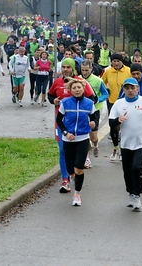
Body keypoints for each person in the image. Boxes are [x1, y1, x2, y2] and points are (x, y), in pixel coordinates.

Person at [109, 78, 142, 211]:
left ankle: (137, 195)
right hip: (126, 143)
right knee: (127, 172)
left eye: (133, 88)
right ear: (124, 90)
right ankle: (131, 193)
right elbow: (111, 122)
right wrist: (117, 120)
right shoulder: (119, 103)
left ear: (137, 88)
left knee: (136, 167)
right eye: (127, 88)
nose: (130, 91)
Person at [48, 58, 97, 193]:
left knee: (76, 153)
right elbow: (50, 95)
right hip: (62, 124)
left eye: (68, 67)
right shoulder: (57, 82)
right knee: (63, 150)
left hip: (80, 127)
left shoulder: (80, 83)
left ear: (73, 69)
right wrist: (55, 101)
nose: (65, 70)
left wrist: (88, 116)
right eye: (63, 67)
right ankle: (65, 179)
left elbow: (93, 99)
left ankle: (76, 171)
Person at [56, 77, 96, 206]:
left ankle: (77, 194)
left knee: (79, 168)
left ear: (83, 88)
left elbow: (94, 117)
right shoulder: (65, 103)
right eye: (74, 88)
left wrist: (93, 123)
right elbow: (59, 120)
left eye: (79, 87)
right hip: (68, 139)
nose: (77, 90)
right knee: (70, 169)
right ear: (70, 90)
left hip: (83, 138)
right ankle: (72, 176)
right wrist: (66, 133)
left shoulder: (89, 103)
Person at [102, 54, 132, 161]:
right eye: (114, 61)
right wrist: (106, 91)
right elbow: (102, 82)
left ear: (122, 61)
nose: (116, 63)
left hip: (126, 102)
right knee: (113, 126)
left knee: (125, 125)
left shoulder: (128, 71)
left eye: (118, 61)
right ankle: (115, 148)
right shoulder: (108, 71)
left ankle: (124, 149)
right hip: (112, 102)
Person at [80, 59, 109, 168]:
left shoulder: (98, 80)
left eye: (87, 70)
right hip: (82, 111)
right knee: (84, 135)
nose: (84, 72)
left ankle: (96, 144)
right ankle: (86, 159)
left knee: (93, 137)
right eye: (83, 70)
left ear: (91, 69)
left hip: (94, 110)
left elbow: (105, 94)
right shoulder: (77, 79)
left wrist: (98, 100)